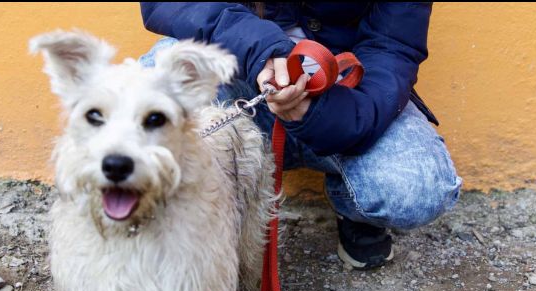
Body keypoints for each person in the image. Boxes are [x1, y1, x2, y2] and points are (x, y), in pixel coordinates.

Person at [139, 2, 462, 269]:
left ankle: (353, 207)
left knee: (417, 189)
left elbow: (393, 47)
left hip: (344, 90)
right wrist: (259, 48)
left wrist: (321, 117)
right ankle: (196, 233)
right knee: (159, 84)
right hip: (238, 71)